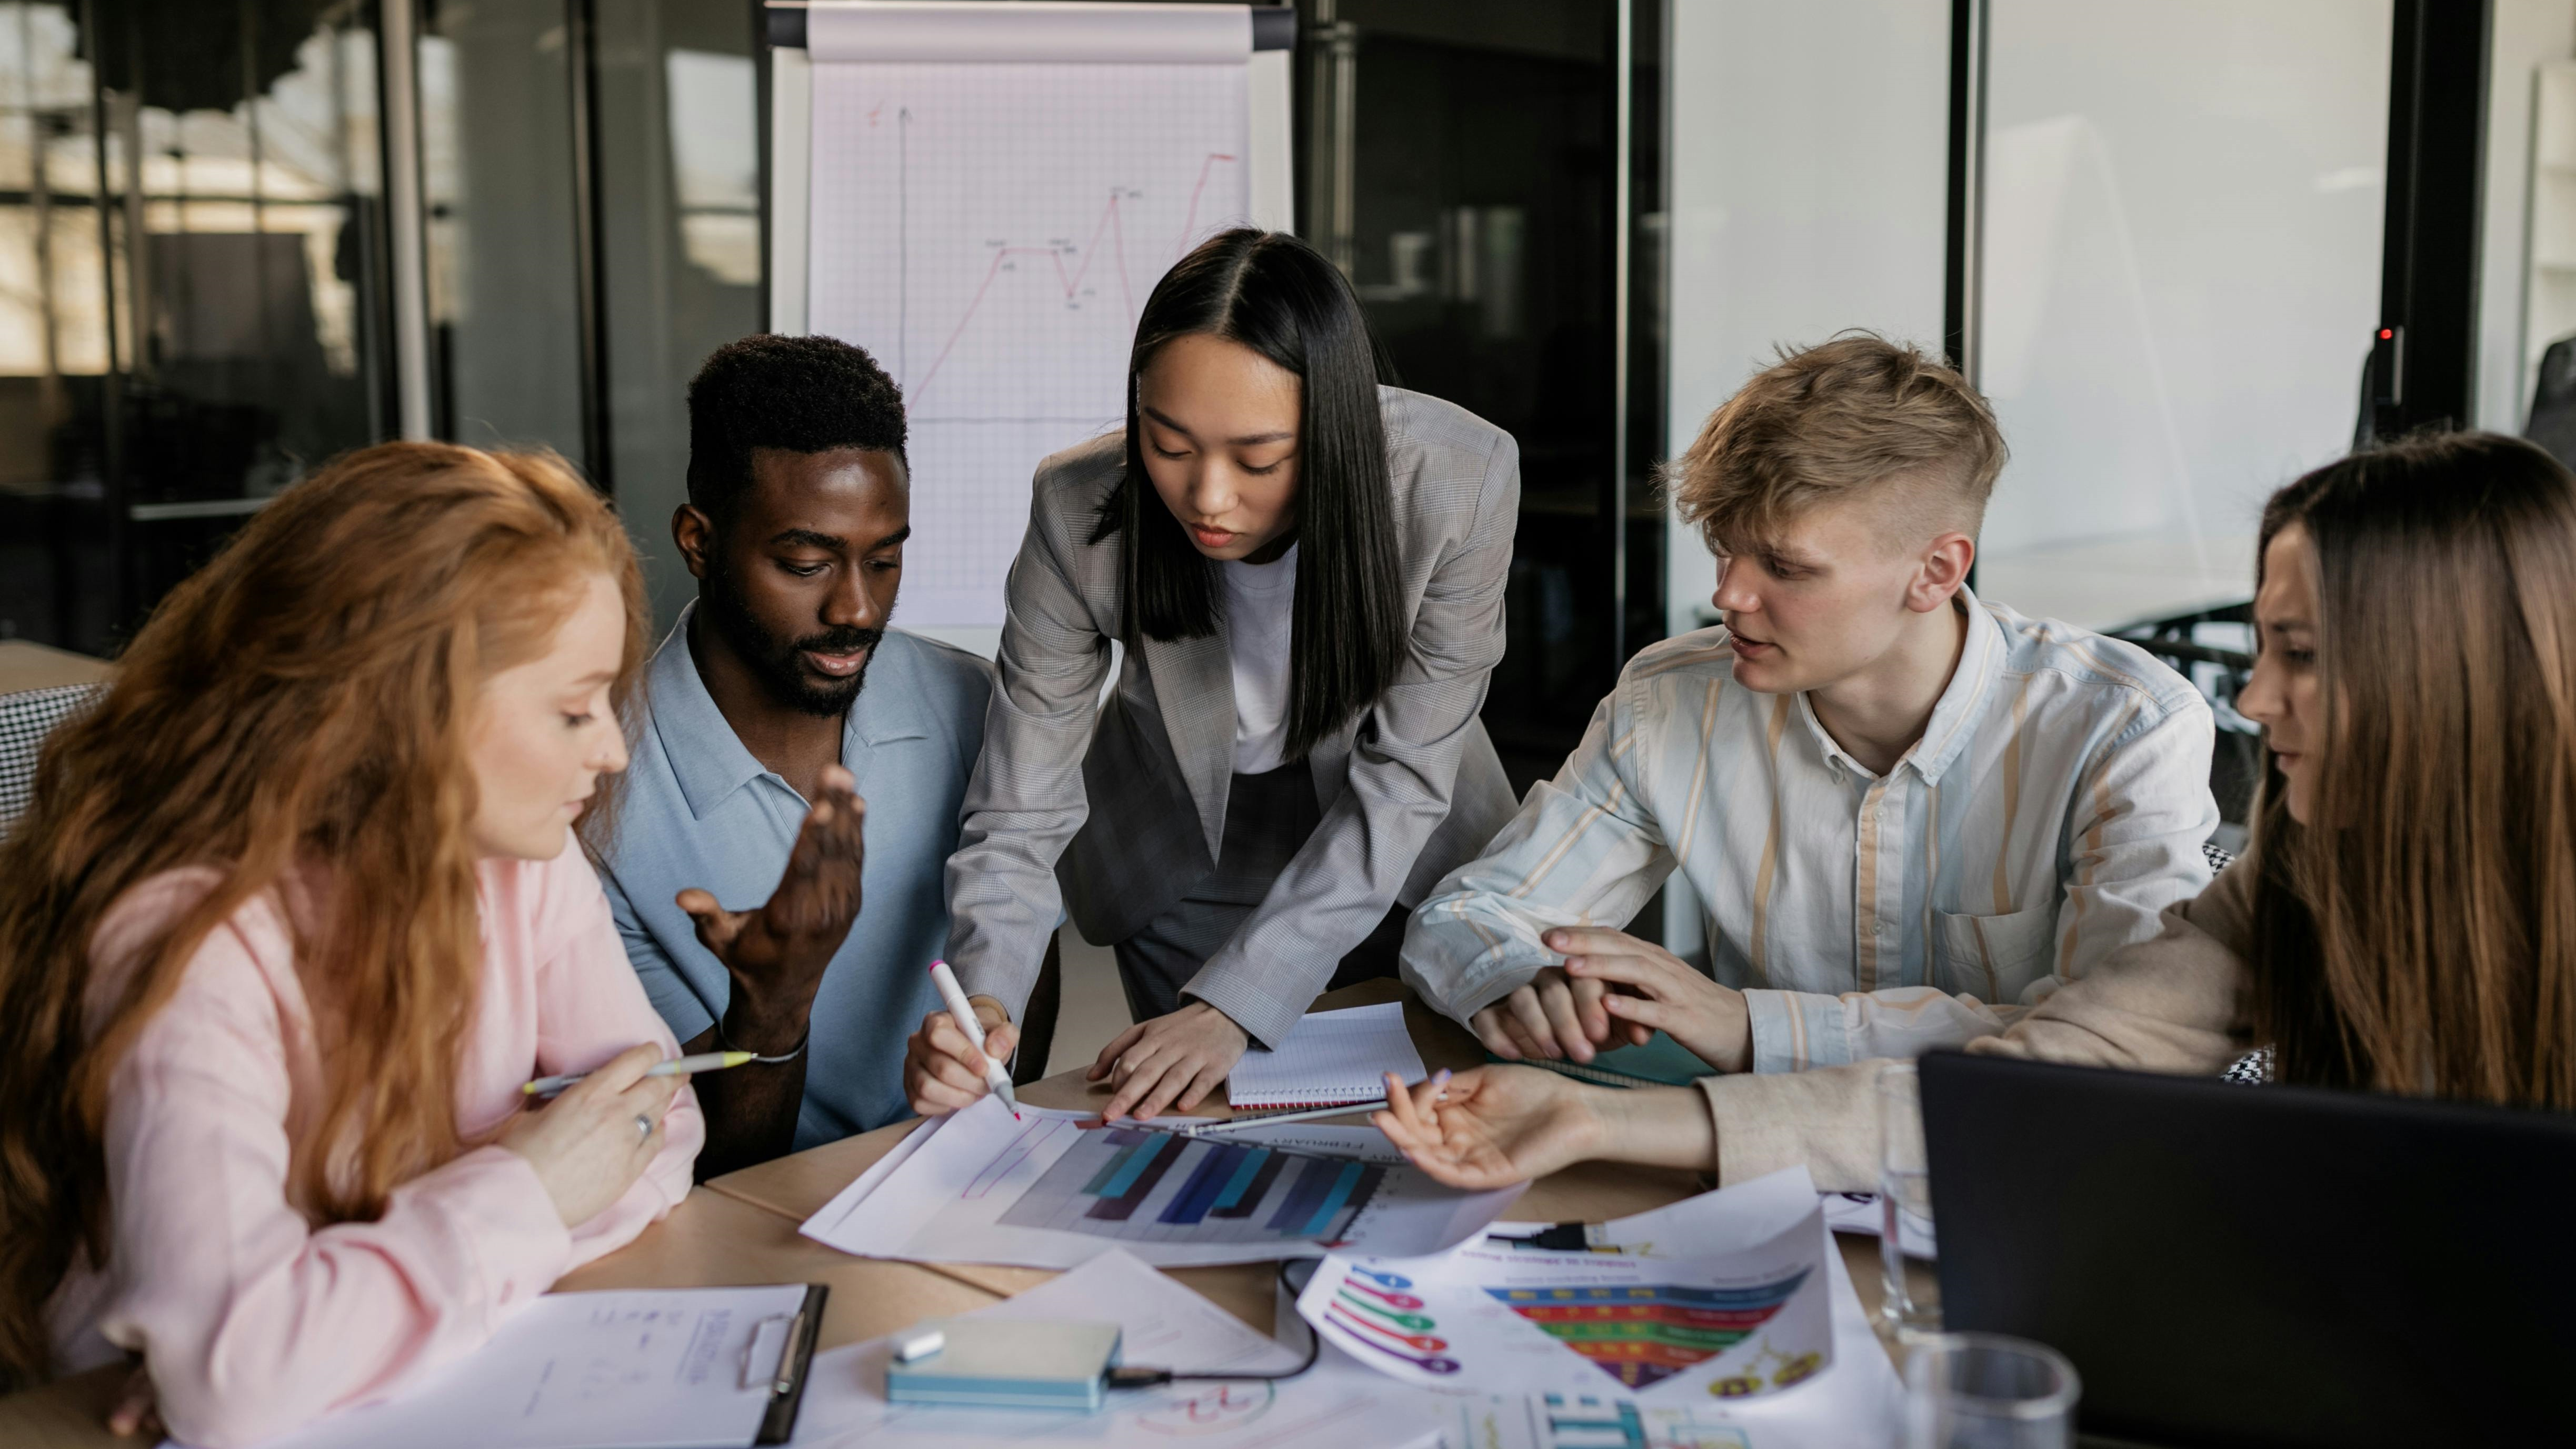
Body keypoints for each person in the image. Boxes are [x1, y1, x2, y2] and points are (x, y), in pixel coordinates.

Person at [1375, 430, 2576, 1193]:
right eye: (2264, 648)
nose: (2256, 702)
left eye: (2301, 655)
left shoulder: (2122, 723)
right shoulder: (2293, 876)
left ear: (2450, 670)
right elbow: (2040, 1084)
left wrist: (1748, 1026)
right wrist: (1586, 1122)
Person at [0, 443, 863, 1446]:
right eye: (572, 708)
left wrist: (344, 1305)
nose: (613, 748)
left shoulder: (522, 862)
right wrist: (530, 1185)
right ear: (403, 709)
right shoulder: (188, 940)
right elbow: (239, 1378)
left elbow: (658, 1128)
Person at [1400, 334, 2219, 1076]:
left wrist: (1751, 1025)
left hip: (2019, 1175)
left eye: (1784, 569)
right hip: (1745, 1166)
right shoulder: (1669, 702)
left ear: (1935, 571)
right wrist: (1518, 976)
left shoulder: (2124, 728)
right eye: (1723, 550)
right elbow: (1469, 912)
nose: (1727, 595)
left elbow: (2114, 1048)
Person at [907, 228, 1522, 1122]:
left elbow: (1401, 784)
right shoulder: (1077, 504)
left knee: (1417, 1122)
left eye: (1258, 459)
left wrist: (1241, 1000)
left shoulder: (1456, 482)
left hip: (1400, 842)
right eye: (1168, 444)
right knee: (1205, 1128)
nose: (1208, 497)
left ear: (1333, 430)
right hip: (1180, 847)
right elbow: (1019, 800)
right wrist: (985, 1002)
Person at [597, 335, 1041, 1177]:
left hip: (964, 1186)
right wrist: (775, 1004)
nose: (857, 607)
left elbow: (1026, 954)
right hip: (754, 1228)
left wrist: (992, 1082)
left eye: (885, 558)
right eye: (805, 563)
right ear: (699, 541)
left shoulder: (973, 706)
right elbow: (707, 1166)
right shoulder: (597, 792)